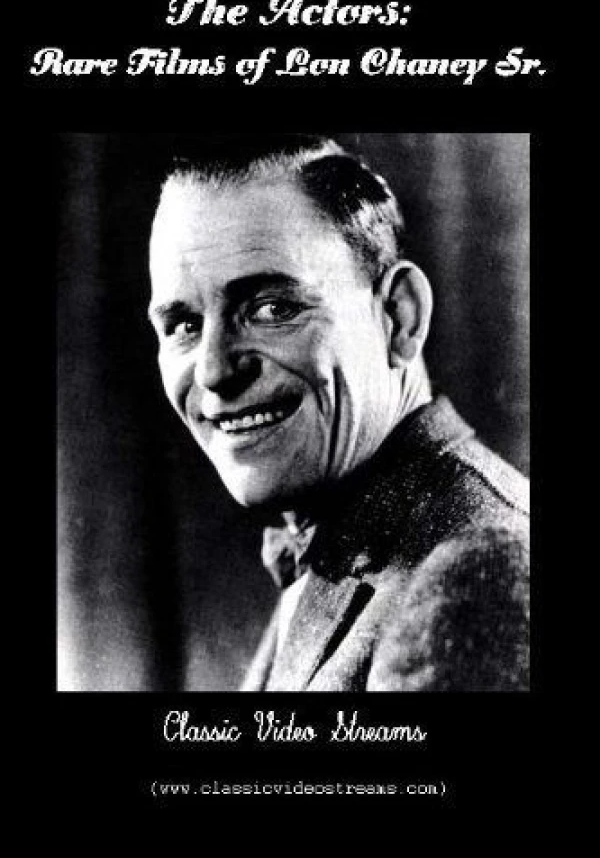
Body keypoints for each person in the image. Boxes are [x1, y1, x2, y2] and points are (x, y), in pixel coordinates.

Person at [147, 134, 529, 692]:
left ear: (399, 317)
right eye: (183, 325)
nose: (212, 371)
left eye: (271, 308)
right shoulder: (349, 541)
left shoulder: (476, 571)